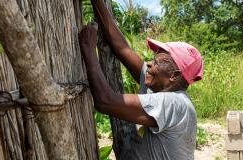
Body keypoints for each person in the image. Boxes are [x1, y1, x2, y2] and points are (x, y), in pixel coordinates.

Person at [79, 0, 203, 159]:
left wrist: (88, 49)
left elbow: (105, 101)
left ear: (174, 75)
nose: (150, 64)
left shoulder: (175, 103)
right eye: (153, 58)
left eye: (158, 62)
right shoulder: (157, 85)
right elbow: (122, 48)